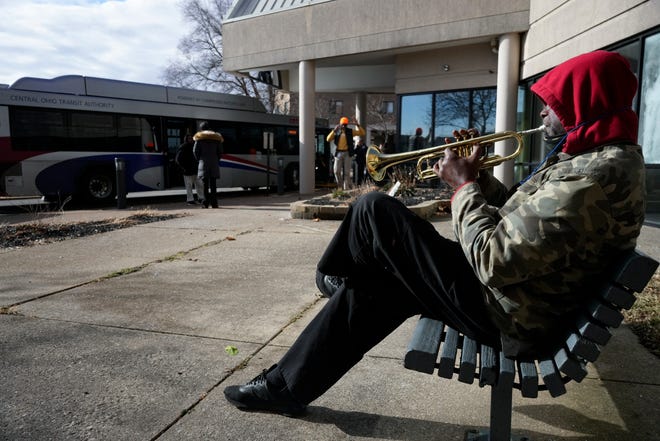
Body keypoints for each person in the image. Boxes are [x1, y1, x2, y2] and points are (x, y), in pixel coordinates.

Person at [224, 51, 645, 417]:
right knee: (377, 285)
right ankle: (285, 387)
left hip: (512, 314)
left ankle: (330, 277)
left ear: (582, 103)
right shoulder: (596, 157)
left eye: (550, 104)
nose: (541, 113)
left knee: (375, 208)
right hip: (523, 299)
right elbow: (521, 217)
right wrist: (478, 180)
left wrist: (463, 189)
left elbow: (493, 259)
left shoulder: (590, 178)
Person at [326, 117, 366, 190]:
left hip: (347, 153)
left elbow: (362, 133)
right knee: (336, 171)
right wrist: (334, 131)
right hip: (338, 153)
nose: (344, 126)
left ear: (347, 125)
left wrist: (357, 125)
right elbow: (328, 139)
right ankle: (340, 186)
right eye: (342, 124)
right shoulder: (336, 131)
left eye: (345, 125)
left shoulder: (350, 131)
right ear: (340, 124)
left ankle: (346, 187)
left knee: (346, 172)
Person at [193, 121, 223, 208]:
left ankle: (205, 203)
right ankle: (214, 204)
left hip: (203, 164)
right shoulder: (217, 138)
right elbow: (220, 152)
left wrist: (200, 160)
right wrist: (216, 160)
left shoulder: (199, 138)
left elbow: (195, 151)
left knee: (205, 185)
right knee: (213, 185)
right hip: (214, 164)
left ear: (201, 129)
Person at [175, 134, 204, 205]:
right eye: (189, 139)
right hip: (188, 170)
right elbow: (178, 159)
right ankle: (192, 200)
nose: (191, 140)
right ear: (186, 139)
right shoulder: (184, 147)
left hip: (194, 170)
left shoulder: (191, 147)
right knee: (191, 186)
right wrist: (184, 168)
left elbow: (178, 160)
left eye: (192, 138)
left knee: (197, 185)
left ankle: (200, 198)